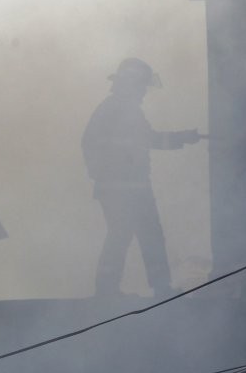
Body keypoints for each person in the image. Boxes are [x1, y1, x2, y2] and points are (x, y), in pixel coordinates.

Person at [81, 58, 201, 299]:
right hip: (126, 189)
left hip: (126, 188)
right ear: (131, 85)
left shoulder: (118, 109)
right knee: (141, 235)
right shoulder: (120, 110)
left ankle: (112, 289)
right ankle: (153, 287)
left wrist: (183, 138)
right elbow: (149, 140)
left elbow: (143, 140)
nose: (144, 93)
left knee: (130, 235)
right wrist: (183, 138)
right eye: (141, 88)